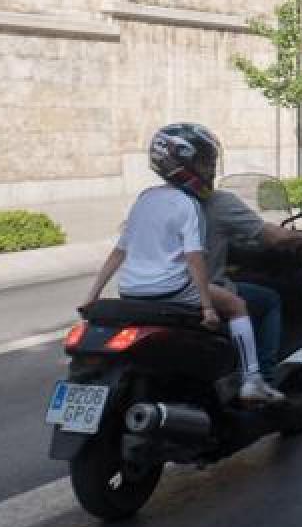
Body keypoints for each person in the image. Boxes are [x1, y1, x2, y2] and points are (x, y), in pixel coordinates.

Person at [82, 123, 283, 403]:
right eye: (203, 162)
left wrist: (92, 296)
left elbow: (119, 251)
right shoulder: (188, 205)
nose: (208, 169)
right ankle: (253, 379)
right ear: (185, 164)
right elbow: (194, 258)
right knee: (238, 306)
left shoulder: (145, 199)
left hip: (131, 291)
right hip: (172, 290)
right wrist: (207, 306)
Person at [203, 186, 302, 384]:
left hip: (149, 291)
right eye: (207, 163)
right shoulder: (217, 202)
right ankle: (262, 378)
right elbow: (271, 235)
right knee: (268, 300)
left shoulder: (157, 201)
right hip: (197, 289)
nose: (210, 169)